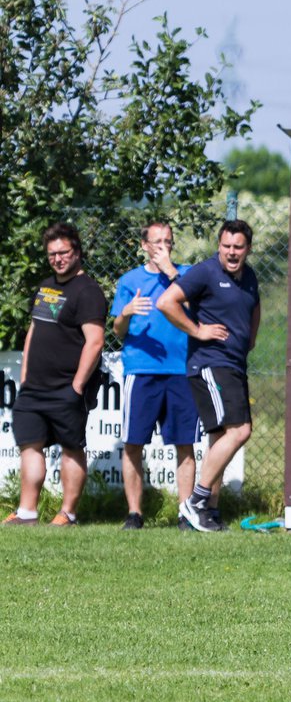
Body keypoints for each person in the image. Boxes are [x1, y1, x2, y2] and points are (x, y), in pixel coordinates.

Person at [157, 219, 260, 533]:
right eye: (226, 246)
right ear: (219, 246)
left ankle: (208, 513)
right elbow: (166, 302)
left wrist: (249, 340)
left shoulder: (250, 277)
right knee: (241, 430)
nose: (231, 252)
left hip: (234, 363)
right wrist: (197, 330)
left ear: (247, 249)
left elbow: (254, 309)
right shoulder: (205, 272)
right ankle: (195, 502)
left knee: (220, 437)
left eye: (238, 247)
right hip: (211, 363)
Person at [4, 223, 107, 526]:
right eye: (52, 254)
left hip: (66, 388)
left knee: (72, 447)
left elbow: (96, 341)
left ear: (77, 251)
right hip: (34, 388)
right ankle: (27, 512)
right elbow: (35, 330)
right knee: (30, 445)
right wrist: (25, 375)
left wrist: (77, 387)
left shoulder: (87, 291)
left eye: (63, 252)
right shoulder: (46, 287)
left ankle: (68, 514)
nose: (58, 258)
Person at [110, 220, 200, 530]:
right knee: (134, 443)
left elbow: (198, 310)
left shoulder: (186, 275)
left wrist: (171, 272)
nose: (163, 246)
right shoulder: (129, 281)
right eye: (157, 241)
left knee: (184, 444)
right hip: (142, 370)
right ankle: (135, 513)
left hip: (180, 370)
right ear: (144, 246)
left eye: (168, 241)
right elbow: (117, 331)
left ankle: (185, 513)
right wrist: (126, 312)